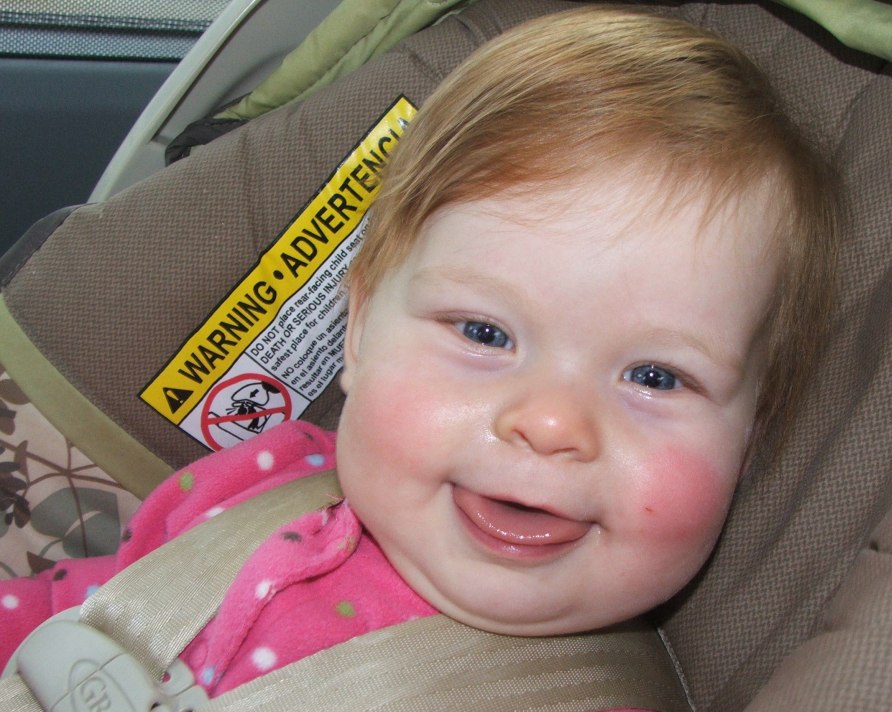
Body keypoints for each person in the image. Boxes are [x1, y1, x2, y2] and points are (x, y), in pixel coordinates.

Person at [0, 5, 838, 705]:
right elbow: (83, 611)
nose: (550, 422)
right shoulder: (262, 475)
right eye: (484, 333)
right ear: (359, 334)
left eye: (655, 377)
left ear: (750, 437)